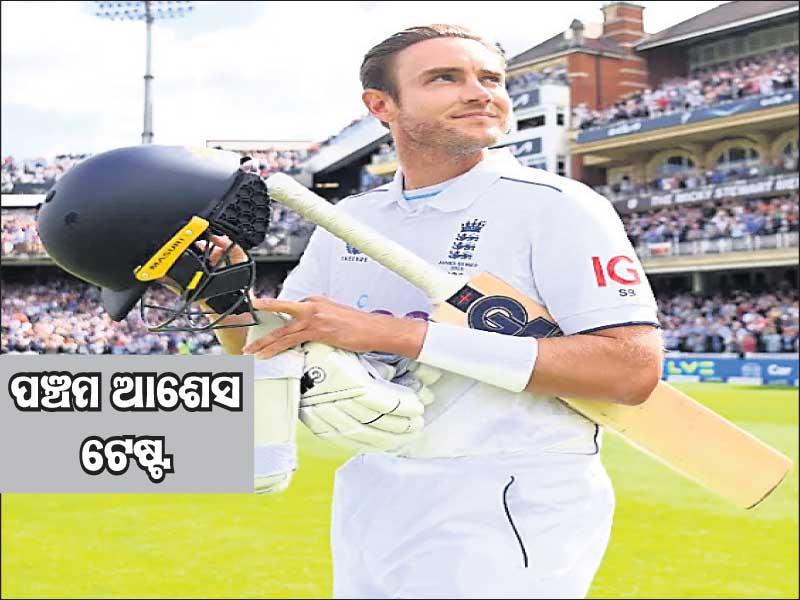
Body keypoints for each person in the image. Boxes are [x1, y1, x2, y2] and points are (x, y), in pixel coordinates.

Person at [213, 24, 663, 599]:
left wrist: (391, 334)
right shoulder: (350, 218)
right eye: (445, 78)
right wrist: (220, 295)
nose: (479, 93)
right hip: (373, 488)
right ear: (381, 106)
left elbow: (630, 370)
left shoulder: (560, 206)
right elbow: (272, 345)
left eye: (491, 79)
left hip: (507, 494)